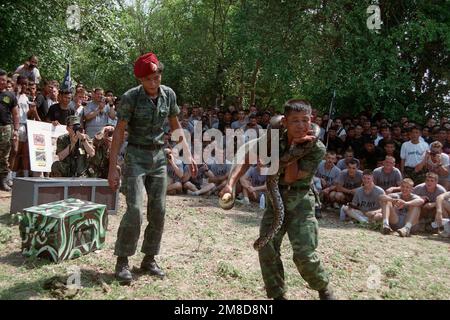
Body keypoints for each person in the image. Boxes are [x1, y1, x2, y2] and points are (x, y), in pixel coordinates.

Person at [220, 99, 335, 300]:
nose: (300, 126)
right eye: (295, 121)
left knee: (304, 255)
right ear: (284, 122)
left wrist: (293, 153)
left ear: (312, 120)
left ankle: (323, 289)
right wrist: (231, 183)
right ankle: (277, 295)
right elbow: (247, 158)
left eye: (305, 121)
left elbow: (291, 177)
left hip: (301, 201)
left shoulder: (316, 148)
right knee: (266, 248)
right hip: (276, 198)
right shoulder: (273, 138)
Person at [107, 52, 197, 284]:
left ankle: (149, 259)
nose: (154, 81)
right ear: (140, 80)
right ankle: (123, 260)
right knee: (135, 209)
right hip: (136, 156)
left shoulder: (168, 95)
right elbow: (119, 131)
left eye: (157, 76)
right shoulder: (130, 98)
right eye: (149, 78)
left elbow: (176, 126)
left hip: (158, 156)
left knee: (159, 210)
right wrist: (112, 165)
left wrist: (188, 155)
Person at [0, 69, 20, 191]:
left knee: (4, 155)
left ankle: (2, 181)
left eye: (4, 80)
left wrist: (16, 130)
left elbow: (16, 114)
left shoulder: (10, 95)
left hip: (5, 128)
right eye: (0, 80)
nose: (2, 82)